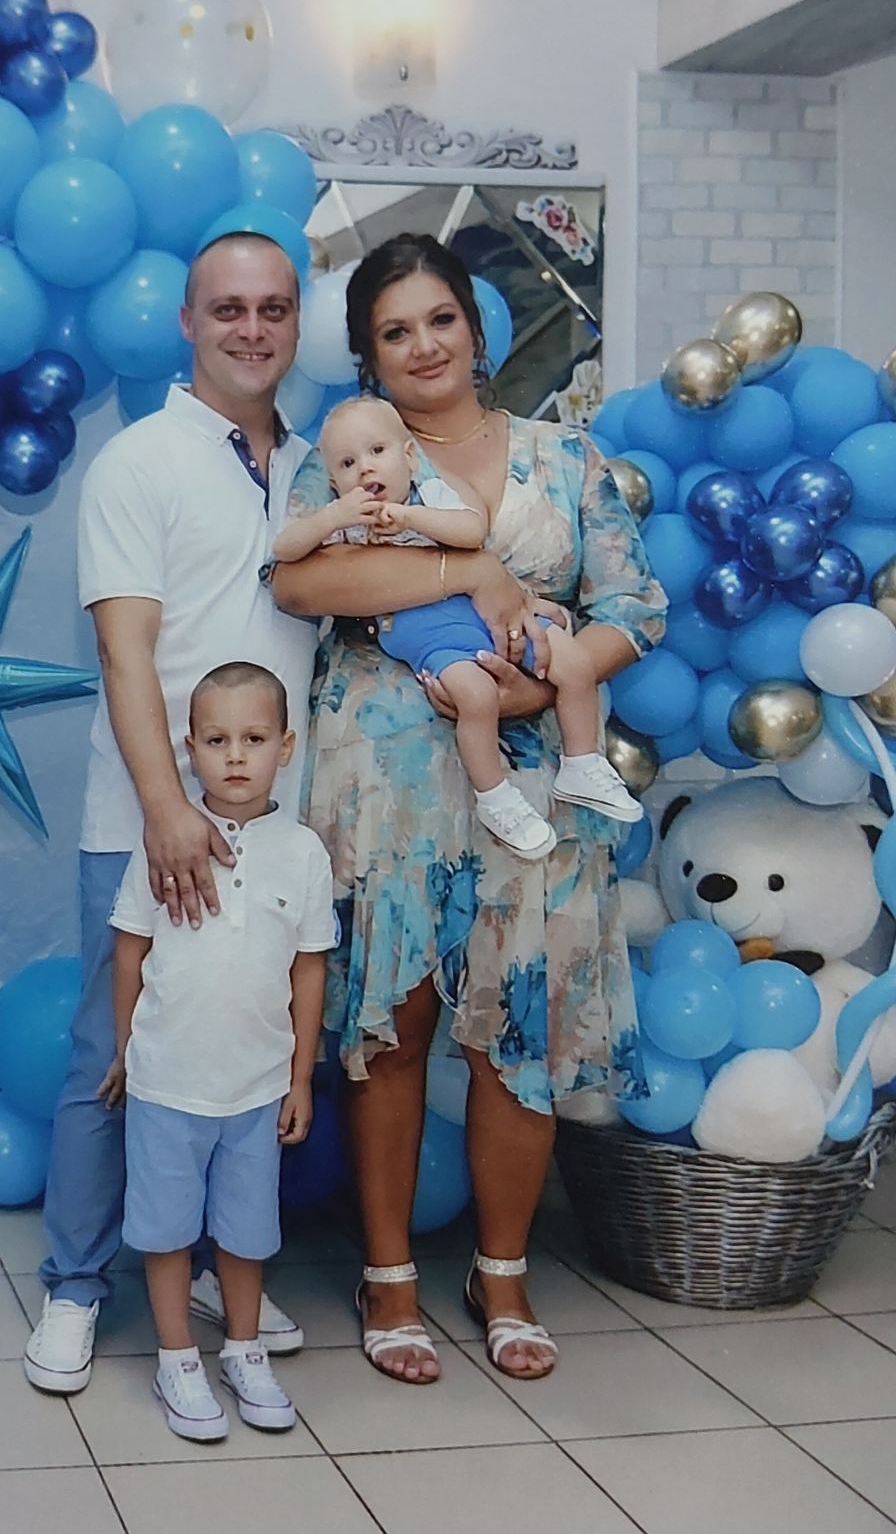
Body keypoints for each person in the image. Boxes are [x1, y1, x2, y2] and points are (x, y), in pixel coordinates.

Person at [272, 234, 666, 1385]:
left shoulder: (563, 455)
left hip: (537, 785)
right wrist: (468, 574)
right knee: (389, 1030)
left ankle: (502, 1275)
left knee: (519, 1034)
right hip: (388, 786)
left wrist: (548, 684)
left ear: (475, 327)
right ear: (368, 354)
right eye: (394, 330)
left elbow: (635, 605)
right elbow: (304, 579)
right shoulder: (353, 454)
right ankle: (388, 1277)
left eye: (438, 319)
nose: (423, 345)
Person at [25, 233, 319, 1397]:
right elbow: (125, 651)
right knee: (118, 1054)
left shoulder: (317, 467)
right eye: (228, 308)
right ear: (187, 324)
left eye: (274, 308)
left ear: (296, 323)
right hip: (147, 819)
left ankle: (207, 1270)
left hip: (274, 829)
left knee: (238, 1056)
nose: (253, 328)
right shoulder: (137, 461)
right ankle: (74, 1285)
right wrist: (166, 807)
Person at [97, 662, 333, 1442]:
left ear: (286, 748)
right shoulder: (162, 844)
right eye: (217, 739)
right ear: (189, 749)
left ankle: (242, 1349)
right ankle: (176, 1359)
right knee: (166, 1231)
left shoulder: (303, 853)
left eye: (254, 739)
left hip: (256, 1089)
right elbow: (130, 953)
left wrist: (299, 1078)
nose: (236, 756)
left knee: (246, 1232)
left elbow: (309, 968)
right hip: (167, 1082)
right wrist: (127, 1051)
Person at [274, 394, 643, 859]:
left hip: (482, 618)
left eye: (378, 452)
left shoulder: (429, 497)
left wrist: (410, 517)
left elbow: (472, 532)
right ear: (334, 481)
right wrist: (331, 516)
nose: (365, 469)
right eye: (348, 464)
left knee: (570, 659)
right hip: (426, 634)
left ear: (409, 457)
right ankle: (495, 796)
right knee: (476, 696)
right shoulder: (347, 523)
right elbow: (285, 553)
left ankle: (581, 761)